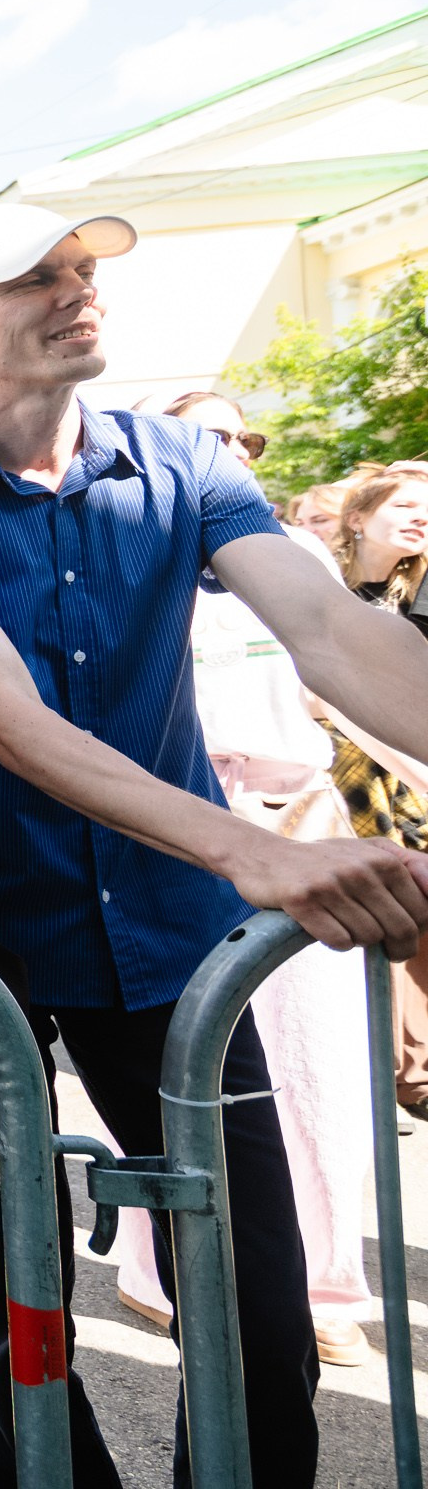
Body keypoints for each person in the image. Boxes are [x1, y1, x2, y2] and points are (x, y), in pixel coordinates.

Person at [0, 203, 428, 1487]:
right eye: (32, 278)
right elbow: (6, 721)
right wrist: (252, 851)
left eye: (81, 269)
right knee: (18, 1304)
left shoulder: (186, 465)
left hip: (168, 939)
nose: (75, 290)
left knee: (257, 1303)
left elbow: (327, 633)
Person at [98, 394, 378, 1367]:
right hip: (186, 829)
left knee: (316, 1070)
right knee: (189, 1074)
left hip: (302, 821)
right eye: (200, 434)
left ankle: (328, 1282)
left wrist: (322, 804)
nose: (228, 450)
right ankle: (156, 1268)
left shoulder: (288, 557)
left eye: (242, 436)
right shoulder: (130, 547)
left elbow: (337, 676)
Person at [314, 463, 428, 1122]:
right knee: (375, 912)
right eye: (407, 504)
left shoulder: (414, 592)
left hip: (406, 764)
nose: (420, 517)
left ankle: (412, 1069)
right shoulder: (317, 586)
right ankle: (382, 1070)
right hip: (350, 771)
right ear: (357, 516)